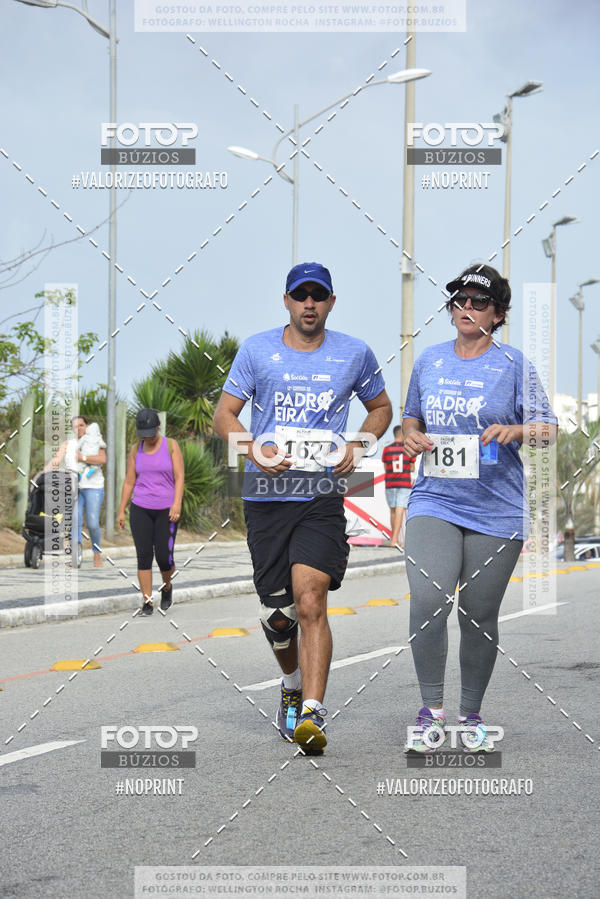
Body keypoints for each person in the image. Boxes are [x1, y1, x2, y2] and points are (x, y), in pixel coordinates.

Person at [213, 262, 392, 752]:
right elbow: (224, 415)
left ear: (331, 302)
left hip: (322, 494)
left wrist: (359, 444)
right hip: (266, 496)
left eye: (319, 296)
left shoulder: (355, 353)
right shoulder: (257, 350)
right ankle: (290, 686)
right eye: (301, 295)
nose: (309, 304)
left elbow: (382, 408)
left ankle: (313, 710)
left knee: (310, 598)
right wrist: (253, 450)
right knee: (279, 614)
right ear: (287, 301)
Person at [401, 264, 557, 753]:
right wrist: (408, 435)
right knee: (428, 602)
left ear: (499, 314)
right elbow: (411, 417)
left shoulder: (514, 365)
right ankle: (431, 710)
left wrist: (514, 431)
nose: (467, 308)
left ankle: (471, 713)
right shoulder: (428, 361)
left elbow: (549, 428)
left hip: (495, 510)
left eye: (479, 302)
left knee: (478, 614)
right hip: (435, 499)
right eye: (459, 300)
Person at [116, 409, 184, 615]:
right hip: (141, 508)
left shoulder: (171, 445)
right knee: (144, 555)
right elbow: (129, 481)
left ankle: (167, 586)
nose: (147, 437)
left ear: (158, 428)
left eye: (151, 433)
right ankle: (147, 601)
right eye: (143, 433)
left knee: (164, 557)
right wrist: (121, 510)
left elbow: (180, 476)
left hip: (167, 510)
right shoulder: (135, 449)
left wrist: (177, 503)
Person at [45, 416, 106, 567]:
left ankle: (96, 553)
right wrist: (46, 470)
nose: (78, 429)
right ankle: (75, 555)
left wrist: (82, 457)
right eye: (75, 426)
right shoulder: (68, 444)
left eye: (81, 425)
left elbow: (102, 460)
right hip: (73, 488)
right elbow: (57, 459)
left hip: (93, 487)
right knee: (74, 519)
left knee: (92, 523)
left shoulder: (95, 440)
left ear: (87, 426)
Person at [381, 425, 415, 551]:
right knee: (400, 509)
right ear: (402, 434)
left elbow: (385, 467)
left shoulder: (387, 449)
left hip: (390, 483)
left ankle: (394, 539)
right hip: (404, 484)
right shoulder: (407, 449)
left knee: (393, 511)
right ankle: (395, 540)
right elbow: (412, 468)